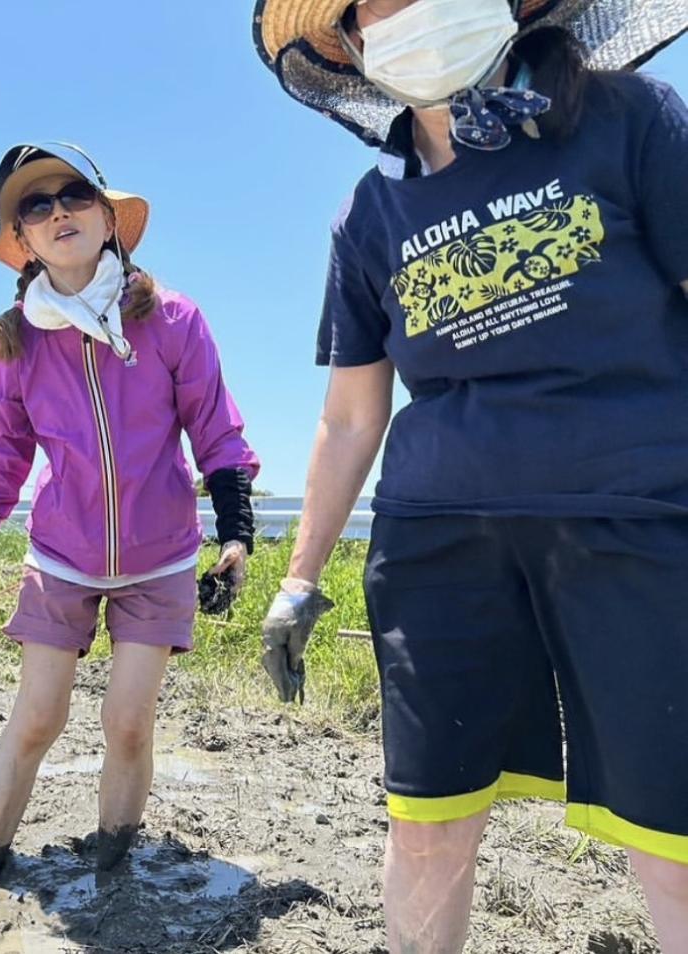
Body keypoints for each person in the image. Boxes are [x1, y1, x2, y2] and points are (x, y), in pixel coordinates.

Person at [250, 1, 688, 951]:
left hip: (638, 519)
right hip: (437, 543)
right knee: (427, 827)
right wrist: (297, 578)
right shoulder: (368, 214)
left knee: (674, 839)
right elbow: (349, 416)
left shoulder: (630, 117)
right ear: (353, 46)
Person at [0, 142, 259, 881]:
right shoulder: (12, 344)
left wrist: (235, 534)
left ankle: (111, 870)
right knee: (37, 718)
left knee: (127, 722)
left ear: (107, 218)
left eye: (73, 196)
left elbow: (215, 429)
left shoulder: (171, 317)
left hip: (161, 555)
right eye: (35, 207)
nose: (57, 212)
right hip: (61, 556)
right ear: (23, 240)